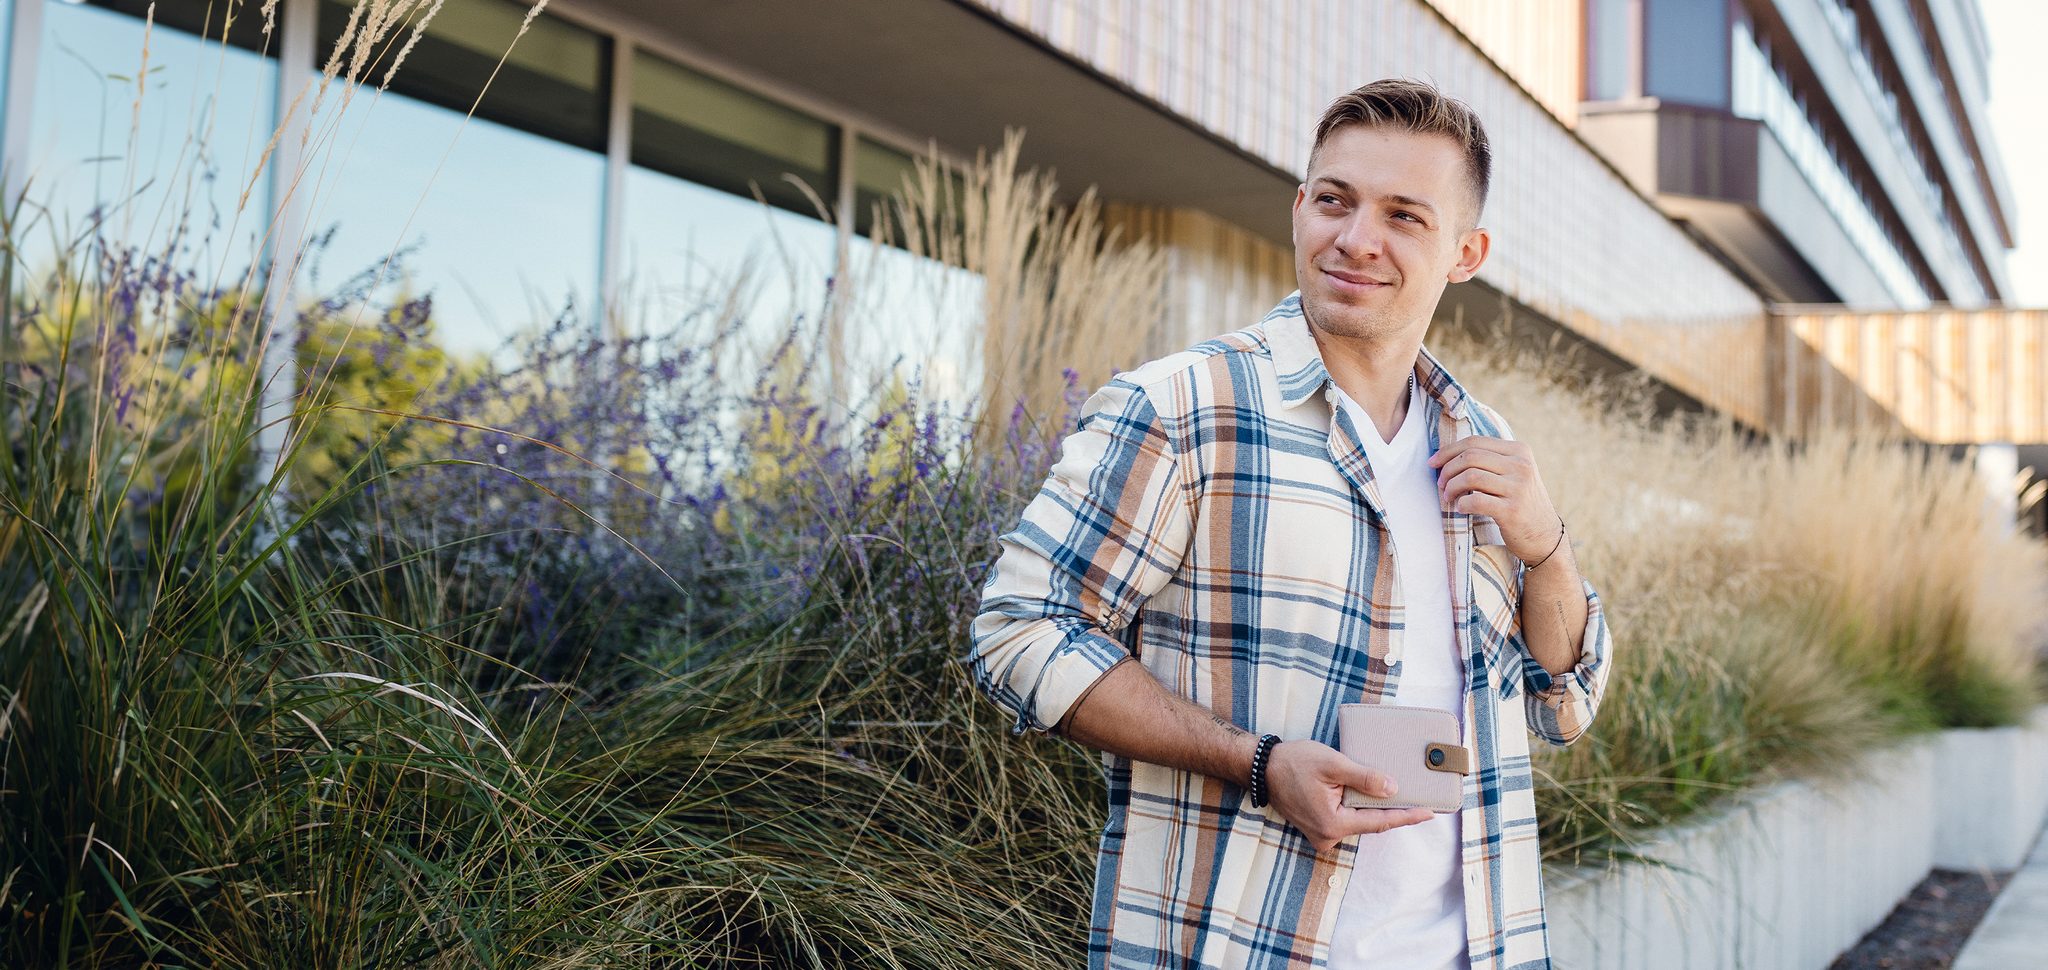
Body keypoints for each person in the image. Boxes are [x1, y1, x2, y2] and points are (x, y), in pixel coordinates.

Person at [965, 78, 1615, 970]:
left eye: (1404, 217)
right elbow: (1019, 632)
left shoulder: (1485, 442)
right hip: (1244, 947)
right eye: (1334, 200)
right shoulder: (1183, 407)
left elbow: (1563, 704)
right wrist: (1259, 761)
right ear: (1299, 207)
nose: (1356, 239)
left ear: (1467, 252)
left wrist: (1548, 545)